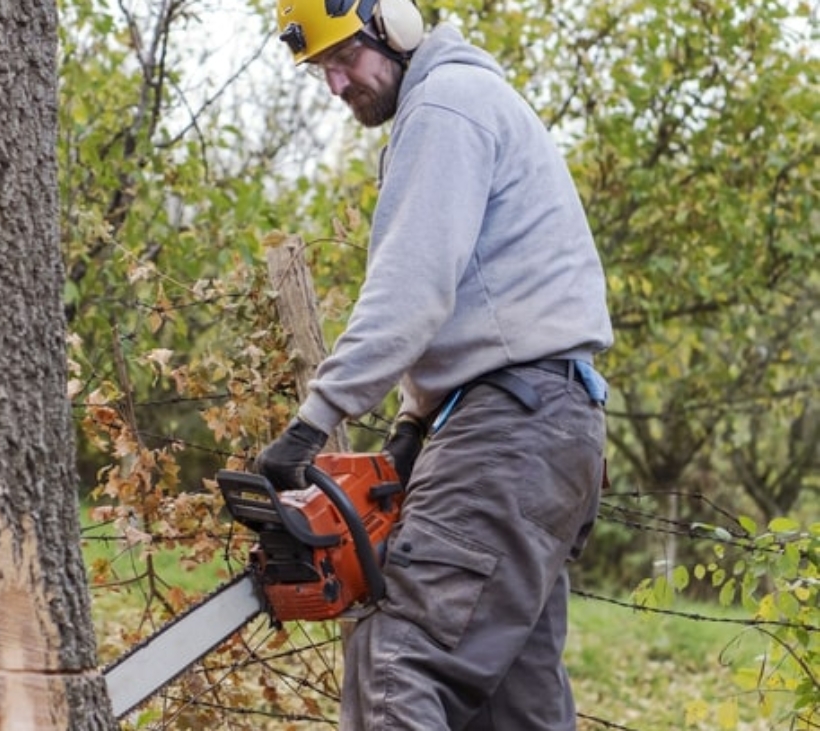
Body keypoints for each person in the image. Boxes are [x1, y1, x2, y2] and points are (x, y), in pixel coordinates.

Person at [255, 1, 614, 729]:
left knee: (400, 655)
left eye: (343, 58)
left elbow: (412, 286)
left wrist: (315, 420)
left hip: (509, 428)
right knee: (516, 699)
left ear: (393, 24)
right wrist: (416, 424)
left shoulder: (445, 106)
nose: (335, 84)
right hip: (550, 426)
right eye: (321, 69)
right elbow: (480, 295)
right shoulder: (469, 101)